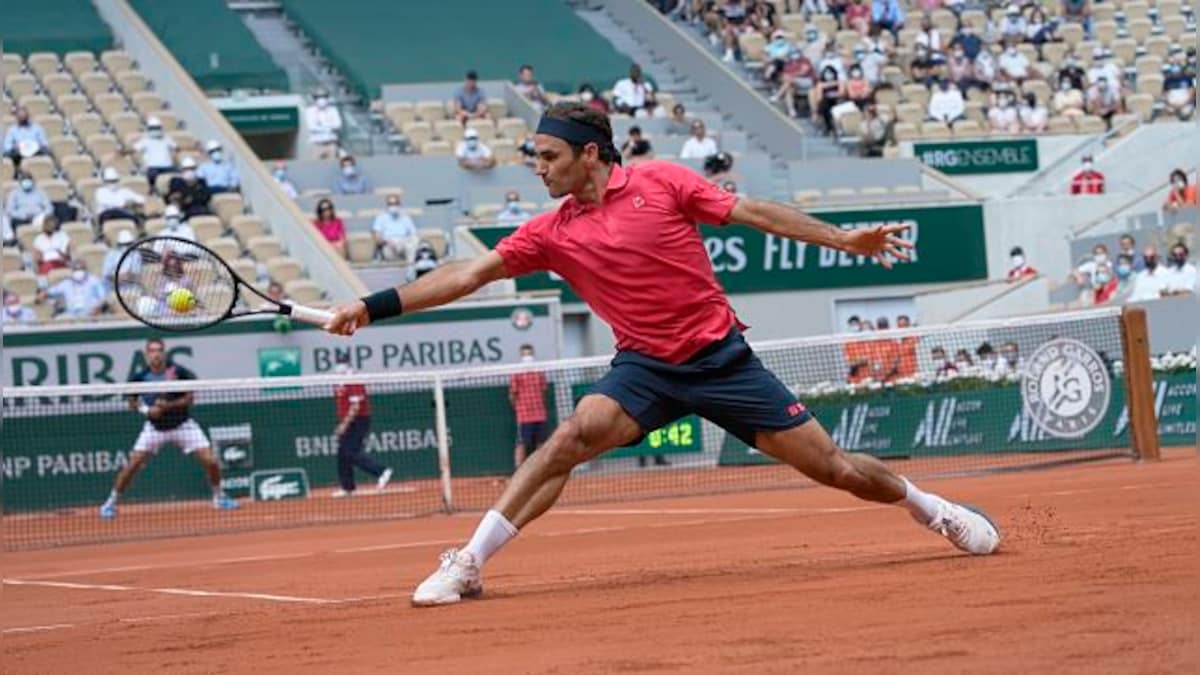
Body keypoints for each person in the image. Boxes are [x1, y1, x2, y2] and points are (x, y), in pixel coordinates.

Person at [322, 101, 1000, 606]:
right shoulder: (549, 232)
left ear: (591, 154)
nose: (538, 169)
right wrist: (372, 304)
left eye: (548, 156)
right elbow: (466, 275)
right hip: (644, 367)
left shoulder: (665, 183)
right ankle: (469, 561)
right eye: (534, 157)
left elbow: (757, 213)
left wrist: (843, 240)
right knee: (567, 438)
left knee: (837, 469)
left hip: (722, 360)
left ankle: (930, 508)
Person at [99, 338, 240, 518]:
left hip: (183, 426)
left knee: (211, 461)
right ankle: (111, 502)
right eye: (152, 351)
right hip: (154, 429)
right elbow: (132, 404)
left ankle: (219, 497)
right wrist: (148, 411)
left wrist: (167, 406)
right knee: (132, 465)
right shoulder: (139, 378)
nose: (156, 354)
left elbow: (189, 399)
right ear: (146, 355)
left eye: (159, 350)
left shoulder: (178, 372)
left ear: (164, 353)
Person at [330, 354, 393, 497]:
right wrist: (343, 422)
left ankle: (382, 471)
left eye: (343, 363)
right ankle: (347, 487)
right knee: (342, 454)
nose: (340, 366)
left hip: (359, 420)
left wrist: (344, 425)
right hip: (347, 419)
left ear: (348, 364)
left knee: (351, 452)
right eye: (338, 362)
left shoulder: (353, 379)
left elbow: (356, 406)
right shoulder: (338, 381)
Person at [509, 344, 550, 467]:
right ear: (521, 355)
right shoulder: (516, 372)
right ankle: (519, 470)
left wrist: (541, 406)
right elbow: (512, 394)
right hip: (524, 415)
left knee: (542, 443)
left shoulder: (539, 371)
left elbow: (543, 391)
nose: (528, 356)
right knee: (522, 443)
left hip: (540, 414)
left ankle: (540, 468)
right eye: (525, 354)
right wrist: (518, 409)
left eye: (529, 354)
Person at [130, 117, 177, 188]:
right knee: (152, 178)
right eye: (153, 128)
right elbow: (134, 149)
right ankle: (152, 190)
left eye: (157, 128)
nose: (155, 130)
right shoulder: (145, 140)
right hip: (153, 167)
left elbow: (177, 148)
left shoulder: (166, 138)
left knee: (178, 178)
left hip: (168, 166)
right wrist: (122, 152)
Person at [372, 194, 419, 261]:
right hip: (389, 245)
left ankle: (411, 266)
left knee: (414, 240)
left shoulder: (406, 218)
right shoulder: (381, 218)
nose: (393, 206)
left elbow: (413, 233)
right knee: (388, 249)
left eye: (395, 204)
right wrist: (387, 241)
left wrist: (403, 242)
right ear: (387, 205)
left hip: (403, 244)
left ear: (399, 205)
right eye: (390, 204)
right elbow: (377, 238)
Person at [305, 90, 342, 159]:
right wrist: (329, 127)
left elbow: (338, 125)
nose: (321, 100)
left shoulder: (333, 110)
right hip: (317, 144)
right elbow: (311, 127)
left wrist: (322, 127)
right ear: (315, 99)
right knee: (315, 165)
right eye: (318, 97)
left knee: (331, 164)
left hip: (331, 143)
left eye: (324, 97)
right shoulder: (310, 111)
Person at [1161, 55, 1196, 121]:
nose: (1175, 67)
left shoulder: (1187, 78)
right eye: (1173, 65)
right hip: (1171, 105)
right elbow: (1164, 95)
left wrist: (1183, 104)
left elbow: (1192, 94)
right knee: (1166, 113)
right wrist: (1172, 104)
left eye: (1177, 64)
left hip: (1186, 105)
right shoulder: (1167, 80)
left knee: (1187, 113)